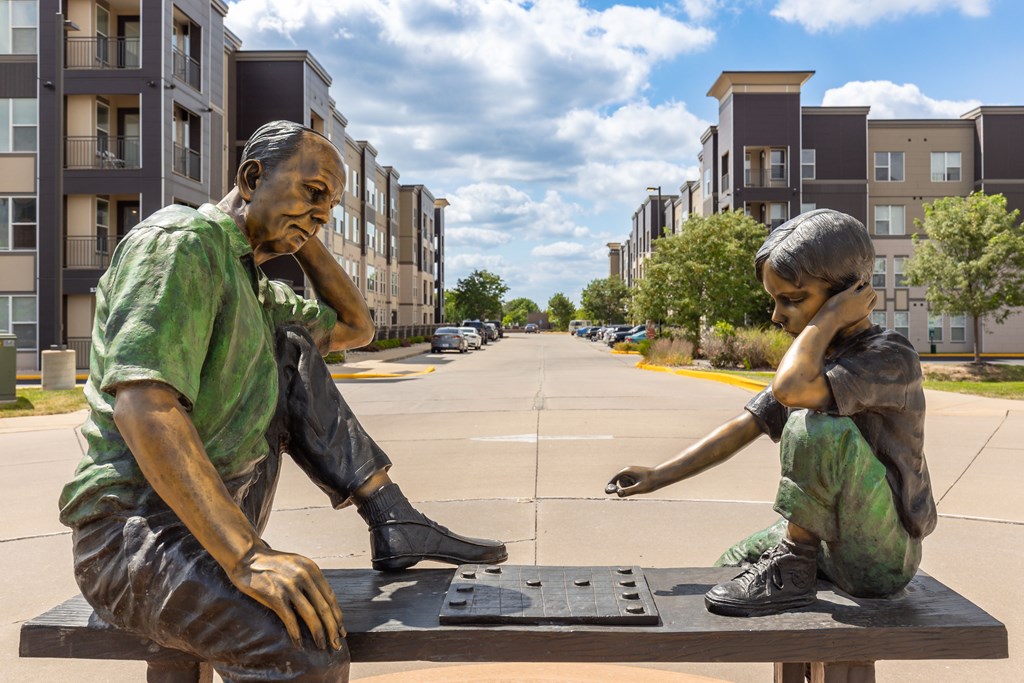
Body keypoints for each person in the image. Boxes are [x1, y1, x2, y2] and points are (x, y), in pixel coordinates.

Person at [58, 120, 506, 681]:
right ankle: (387, 518)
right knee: (302, 650)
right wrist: (248, 557)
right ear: (251, 178)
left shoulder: (255, 287)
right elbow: (144, 406)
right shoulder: (180, 244)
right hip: (136, 536)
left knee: (291, 345)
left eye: (330, 208)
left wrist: (301, 225)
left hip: (201, 528)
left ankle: (390, 514)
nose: (322, 216)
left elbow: (357, 327)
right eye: (313, 192)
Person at [607, 209, 936, 618]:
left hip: (882, 555)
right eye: (774, 300)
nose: (777, 315)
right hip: (834, 540)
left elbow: (791, 390)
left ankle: (794, 563)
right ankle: (793, 561)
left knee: (813, 425)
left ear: (852, 293)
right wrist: (658, 475)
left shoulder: (889, 357)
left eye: (792, 300)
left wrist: (829, 317)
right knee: (731, 562)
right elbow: (745, 425)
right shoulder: (821, 360)